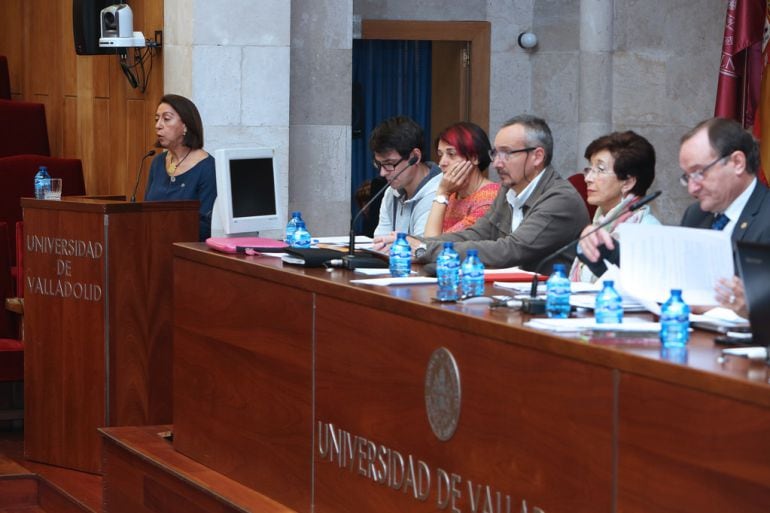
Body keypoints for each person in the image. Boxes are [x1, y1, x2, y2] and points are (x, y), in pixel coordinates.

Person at [578, 117, 770, 313]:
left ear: (737, 162)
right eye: (687, 177)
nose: (692, 189)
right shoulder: (697, 215)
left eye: (699, 173)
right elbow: (663, 277)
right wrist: (603, 248)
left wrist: (756, 308)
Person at [375, 114, 590, 271]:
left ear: (537, 156)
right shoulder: (509, 190)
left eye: (507, 154)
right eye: (496, 153)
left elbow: (511, 249)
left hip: (548, 304)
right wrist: (418, 243)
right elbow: (478, 233)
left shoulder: (559, 199)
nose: (496, 163)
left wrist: (425, 250)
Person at [569, 131, 660, 282]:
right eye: (589, 169)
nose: (587, 178)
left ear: (628, 182)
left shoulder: (647, 232)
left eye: (600, 170)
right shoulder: (600, 223)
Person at [145, 94, 217, 241]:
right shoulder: (157, 162)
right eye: (156, 119)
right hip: (153, 249)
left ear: (185, 126)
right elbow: (146, 211)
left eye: (166, 119)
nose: (158, 125)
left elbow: (206, 226)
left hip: (188, 253)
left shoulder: (208, 167)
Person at [423, 122, 500, 236]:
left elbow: (433, 244)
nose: (441, 163)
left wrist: (441, 193)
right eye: (440, 155)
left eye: (451, 154)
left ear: (474, 158)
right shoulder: (453, 192)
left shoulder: (490, 198)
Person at [371, 116, 442, 237]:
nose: (382, 173)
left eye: (390, 164)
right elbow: (380, 242)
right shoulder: (390, 192)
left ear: (415, 157)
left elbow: (422, 249)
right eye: (378, 164)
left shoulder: (438, 193)